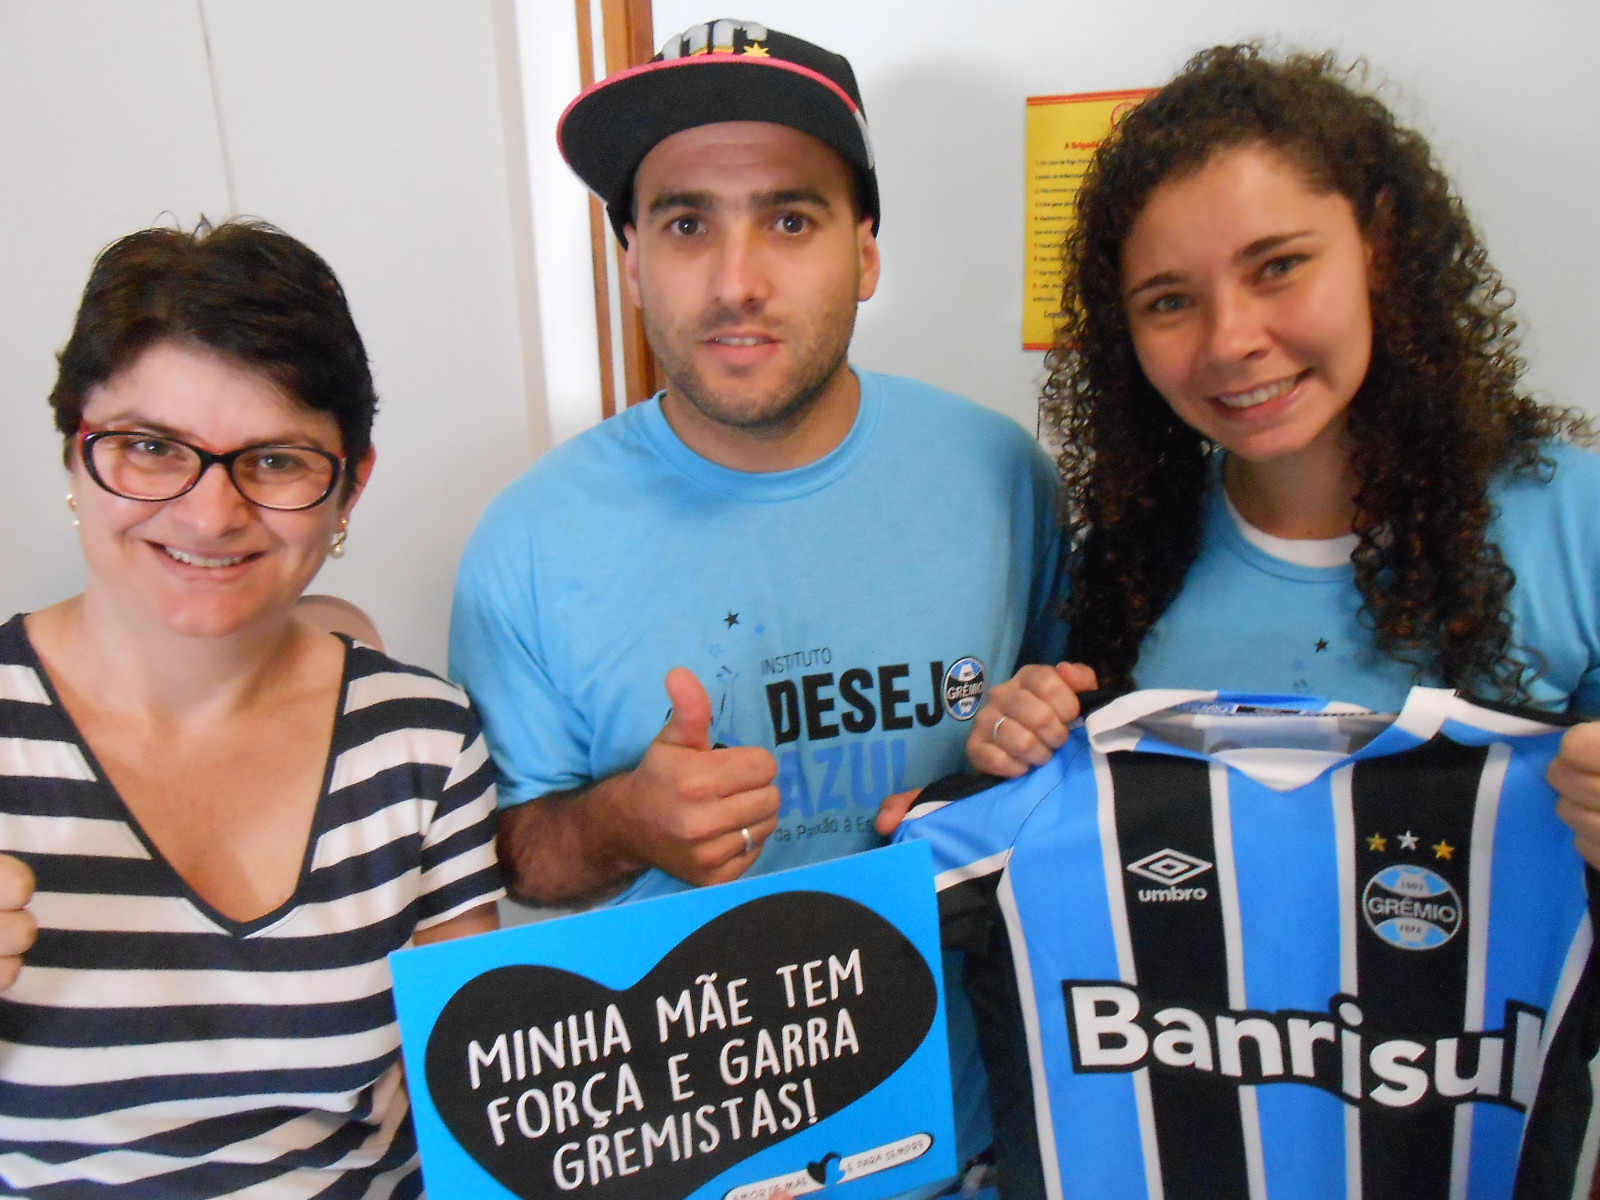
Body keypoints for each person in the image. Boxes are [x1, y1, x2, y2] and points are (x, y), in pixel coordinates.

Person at [449, 15, 1063, 1184]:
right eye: (685, 224)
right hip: (681, 1157)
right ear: (630, 260)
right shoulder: (528, 542)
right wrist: (626, 821)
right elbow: (503, 857)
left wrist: (1029, 742)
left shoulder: (1000, 479)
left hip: (967, 1142)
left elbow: (1061, 765)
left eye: (791, 218)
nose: (737, 281)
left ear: (866, 251)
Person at [0, 220, 503, 1197]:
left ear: (348, 487)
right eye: (151, 447)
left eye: (274, 461)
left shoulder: (422, 743)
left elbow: (477, 1103)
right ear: (75, 449)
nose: (209, 514)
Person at [969, 43, 1600, 772]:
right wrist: (1012, 742)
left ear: (1380, 248)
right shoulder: (1121, 566)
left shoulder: (1575, 524)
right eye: (1170, 302)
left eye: (1279, 267)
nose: (1231, 340)